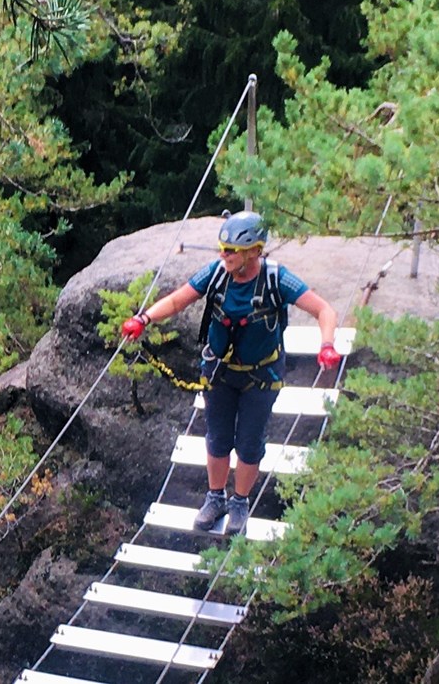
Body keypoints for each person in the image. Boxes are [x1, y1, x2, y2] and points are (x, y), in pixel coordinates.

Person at [118, 212, 342, 537]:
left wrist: (326, 344)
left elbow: (325, 310)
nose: (224, 255)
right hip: (219, 373)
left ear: (254, 251)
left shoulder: (276, 279)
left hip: (261, 376)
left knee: (250, 443)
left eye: (231, 250)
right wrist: (145, 319)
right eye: (222, 248)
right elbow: (178, 300)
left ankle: (240, 501)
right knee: (218, 438)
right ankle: (215, 497)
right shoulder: (217, 274)